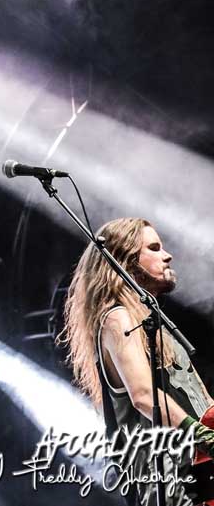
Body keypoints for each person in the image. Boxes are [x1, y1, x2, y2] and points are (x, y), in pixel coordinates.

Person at [61, 217, 214, 506]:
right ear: (126, 261)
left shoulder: (157, 325)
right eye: (154, 248)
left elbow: (203, 403)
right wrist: (201, 435)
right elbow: (143, 394)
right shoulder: (117, 319)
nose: (167, 256)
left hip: (198, 474)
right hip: (169, 483)